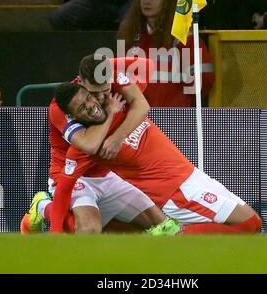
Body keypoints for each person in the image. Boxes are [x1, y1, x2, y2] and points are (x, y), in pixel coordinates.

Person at [33, 66, 262, 235]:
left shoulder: (123, 101)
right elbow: (65, 185)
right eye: (83, 107)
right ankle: (44, 207)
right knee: (250, 223)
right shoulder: (88, 143)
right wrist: (55, 235)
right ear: (75, 116)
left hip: (188, 176)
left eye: (93, 97)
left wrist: (114, 70)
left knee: (152, 225)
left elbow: (143, 88)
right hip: (175, 191)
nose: (94, 104)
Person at [21, 55, 180, 234]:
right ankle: (43, 207)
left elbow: (142, 100)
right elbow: (90, 144)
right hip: (73, 176)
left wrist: (104, 65)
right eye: (94, 93)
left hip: (107, 174)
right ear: (81, 82)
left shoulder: (108, 78)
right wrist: (111, 112)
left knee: (164, 226)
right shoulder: (61, 107)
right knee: (89, 230)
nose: (101, 97)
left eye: (105, 90)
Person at [117, 0, 215, 106]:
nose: (147, 2)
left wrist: (180, 101)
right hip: (140, 116)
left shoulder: (181, 37)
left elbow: (205, 79)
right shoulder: (132, 36)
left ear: (166, 2)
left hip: (175, 115)